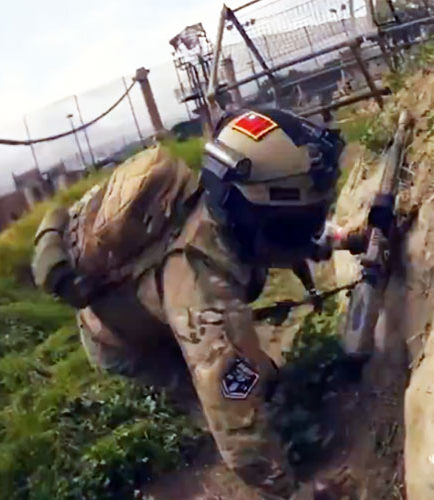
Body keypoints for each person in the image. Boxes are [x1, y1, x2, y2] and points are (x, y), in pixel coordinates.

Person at [32, 108, 358, 499]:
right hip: (124, 340)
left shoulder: (221, 201)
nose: (310, 224)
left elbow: (293, 237)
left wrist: (347, 238)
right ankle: (287, 455)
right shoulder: (207, 298)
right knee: (228, 393)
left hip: (161, 297)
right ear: (265, 217)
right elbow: (237, 427)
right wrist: (293, 492)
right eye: (304, 216)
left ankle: (287, 424)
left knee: (256, 378)